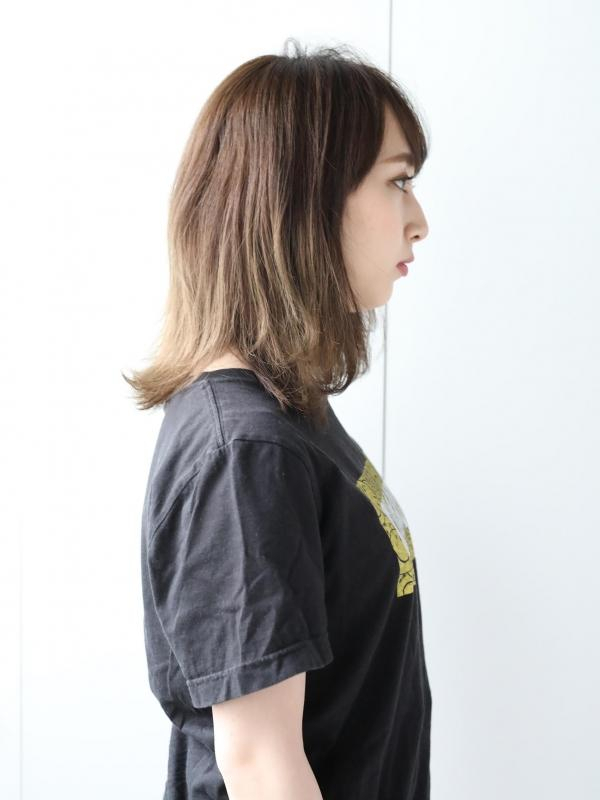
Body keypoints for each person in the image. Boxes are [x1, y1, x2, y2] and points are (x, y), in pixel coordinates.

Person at [123, 37, 430, 800]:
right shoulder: (247, 451)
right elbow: (261, 766)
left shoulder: (286, 418)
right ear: (305, 198)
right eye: (398, 182)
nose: (419, 220)